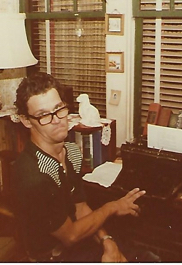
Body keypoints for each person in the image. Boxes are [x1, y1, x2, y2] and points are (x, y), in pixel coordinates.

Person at [11, 72, 160, 262]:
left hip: (78, 245)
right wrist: (112, 207)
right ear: (26, 121)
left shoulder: (71, 152)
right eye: (43, 115)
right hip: (51, 257)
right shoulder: (34, 176)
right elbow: (70, 235)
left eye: (59, 109)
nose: (56, 119)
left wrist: (107, 241)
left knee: (147, 257)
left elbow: (79, 207)